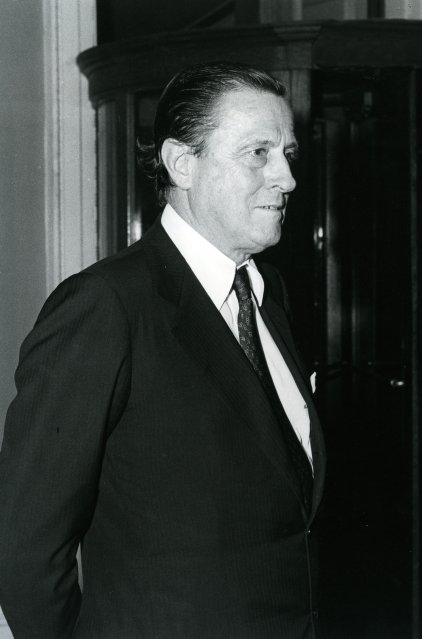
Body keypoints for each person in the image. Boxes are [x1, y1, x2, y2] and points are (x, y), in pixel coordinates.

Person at [0, 61, 325, 638]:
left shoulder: (268, 297)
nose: (287, 177)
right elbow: (25, 544)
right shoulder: (105, 305)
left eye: (288, 153)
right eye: (258, 153)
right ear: (182, 163)